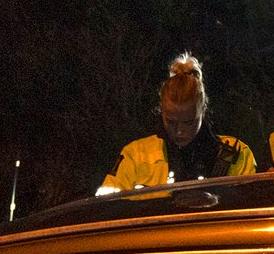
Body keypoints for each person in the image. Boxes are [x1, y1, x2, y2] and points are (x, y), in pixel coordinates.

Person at [97, 53, 257, 195]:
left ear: (203, 110)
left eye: (188, 122)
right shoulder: (134, 155)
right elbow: (104, 210)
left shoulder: (237, 154)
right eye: (171, 122)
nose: (179, 131)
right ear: (161, 111)